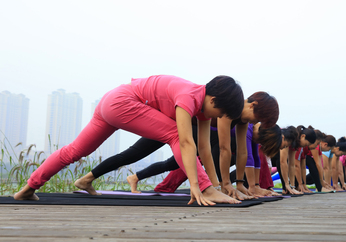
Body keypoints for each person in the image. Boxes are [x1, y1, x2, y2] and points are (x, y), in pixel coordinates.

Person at [14, 75, 244, 206]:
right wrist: (199, 186)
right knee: (175, 133)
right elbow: (185, 142)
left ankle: (27, 189)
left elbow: (203, 147)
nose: (219, 119)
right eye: (221, 113)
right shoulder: (188, 97)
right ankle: (205, 188)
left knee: (74, 150)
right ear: (213, 101)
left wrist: (215, 187)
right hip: (122, 102)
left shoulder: (202, 106)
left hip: (110, 101)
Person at [75, 91, 279, 200]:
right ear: (253, 105)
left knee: (169, 163)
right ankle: (87, 178)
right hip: (170, 124)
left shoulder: (243, 120)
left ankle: (89, 179)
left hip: (188, 134)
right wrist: (224, 185)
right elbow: (225, 149)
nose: (254, 124)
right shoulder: (231, 109)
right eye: (256, 118)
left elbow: (242, 152)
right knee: (133, 154)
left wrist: (240, 184)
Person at [128, 122, 283, 197]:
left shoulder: (252, 134)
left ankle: (135, 177)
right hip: (202, 139)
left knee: (171, 163)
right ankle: (135, 177)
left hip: (211, 146)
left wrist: (254, 186)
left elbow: (254, 159)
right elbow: (247, 157)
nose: (259, 144)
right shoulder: (248, 128)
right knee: (170, 164)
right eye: (261, 141)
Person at [275, 125, 315, 195]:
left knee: (289, 163)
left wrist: (292, 186)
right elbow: (282, 162)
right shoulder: (289, 137)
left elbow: (292, 165)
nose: (305, 146)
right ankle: (285, 187)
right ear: (303, 136)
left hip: (276, 156)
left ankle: (290, 186)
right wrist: (286, 185)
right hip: (273, 155)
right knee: (281, 160)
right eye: (306, 144)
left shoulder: (295, 144)